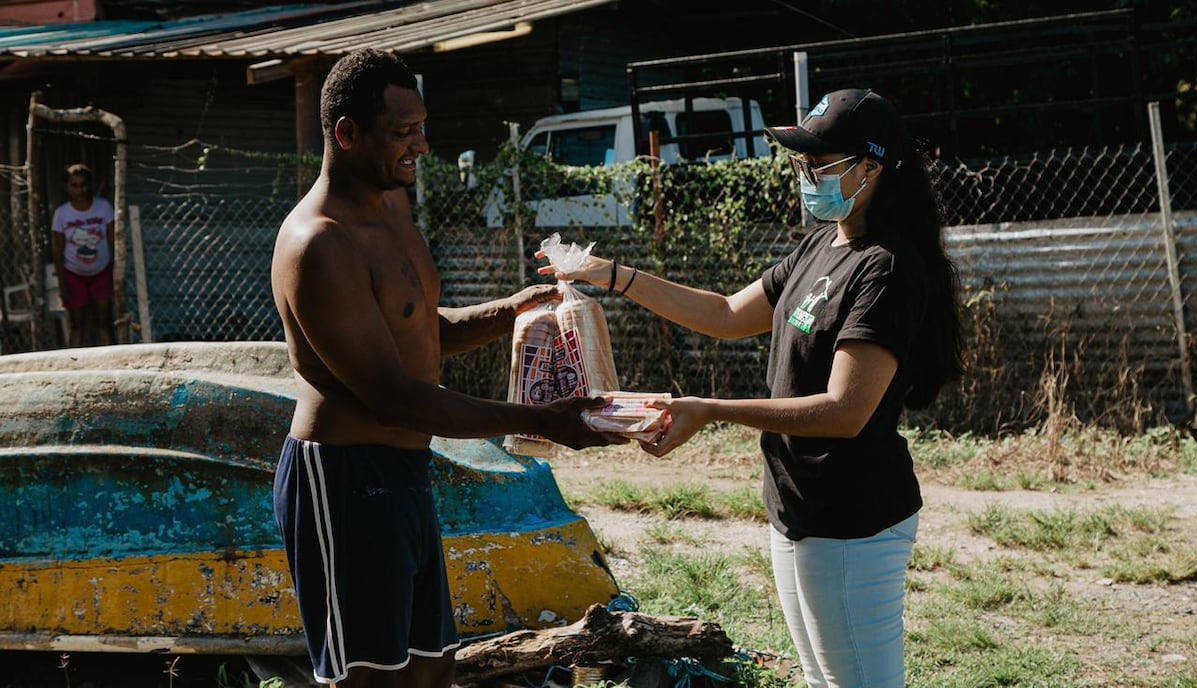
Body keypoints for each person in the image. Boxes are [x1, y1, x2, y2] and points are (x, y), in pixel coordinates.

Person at [540, 88, 964, 688]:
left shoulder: (887, 268)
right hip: (797, 507)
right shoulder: (824, 243)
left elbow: (845, 411)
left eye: (819, 164)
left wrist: (710, 410)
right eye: (800, 163)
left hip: (852, 519)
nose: (804, 175)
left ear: (871, 168)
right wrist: (611, 275)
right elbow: (724, 314)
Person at [270, 48, 617, 688]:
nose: (422, 147)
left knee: (431, 670)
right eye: (403, 132)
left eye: (422, 127)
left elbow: (417, 332)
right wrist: (544, 422)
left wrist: (517, 308)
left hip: (404, 475)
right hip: (344, 484)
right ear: (346, 134)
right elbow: (394, 396)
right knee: (370, 678)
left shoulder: (393, 206)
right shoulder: (319, 244)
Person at [50, 163, 115, 347]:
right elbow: (57, 249)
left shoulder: (103, 208)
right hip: (73, 274)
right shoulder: (62, 214)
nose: (80, 189)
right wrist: (62, 283)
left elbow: (113, 240)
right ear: (67, 187)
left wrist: (114, 271)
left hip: (101, 272)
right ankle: (74, 367)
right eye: (74, 185)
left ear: (90, 185)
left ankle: (108, 362)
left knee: (102, 322)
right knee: (77, 324)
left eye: (83, 184)